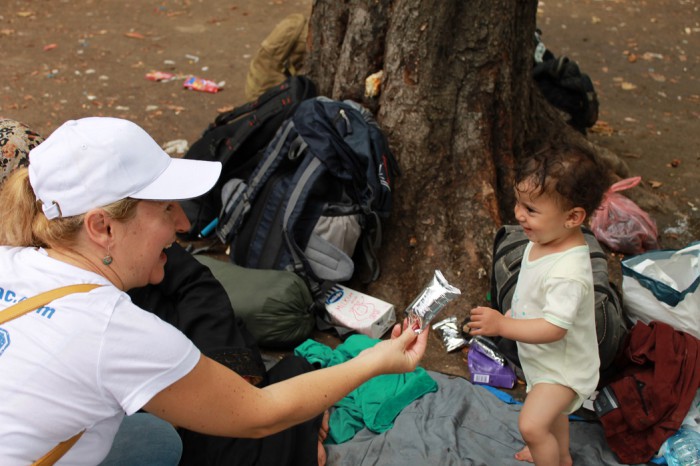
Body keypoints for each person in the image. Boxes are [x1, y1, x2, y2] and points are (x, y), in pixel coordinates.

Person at [0, 116, 429, 466]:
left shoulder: (9, 260)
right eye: (166, 208)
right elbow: (261, 415)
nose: (183, 225)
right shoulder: (115, 330)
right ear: (102, 227)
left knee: (154, 439)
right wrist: (375, 361)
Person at [466, 140, 610, 466]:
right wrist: (515, 313)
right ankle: (558, 454)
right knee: (550, 415)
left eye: (531, 210)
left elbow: (555, 327)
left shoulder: (569, 272)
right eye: (518, 203)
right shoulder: (544, 239)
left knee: (531, 424)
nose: (519, 214)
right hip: (544, 361)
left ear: (573, 217)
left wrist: (504, 325)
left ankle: (548, 454)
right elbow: (534, 293)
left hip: (565, 368)